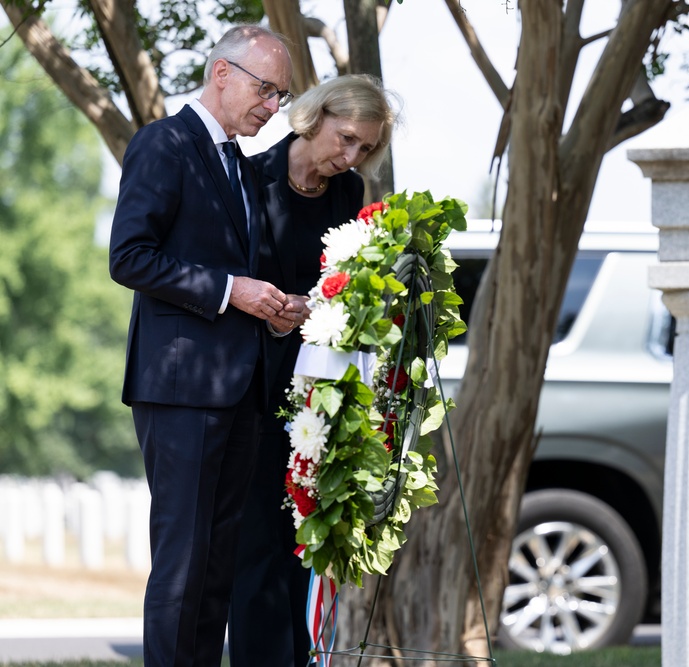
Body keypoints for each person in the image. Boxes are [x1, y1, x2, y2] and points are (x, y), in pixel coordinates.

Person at [108, 25, 304, 667]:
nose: (274, 107)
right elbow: (131, 257)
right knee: (183, 567)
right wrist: (230, 291)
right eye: (267, 90)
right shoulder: (163, 145)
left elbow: (242, 273)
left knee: (218, 566)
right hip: (181, 390)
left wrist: (275, 310)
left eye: (281, 95)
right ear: (223, 73)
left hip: (242, 393)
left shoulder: (241, 166)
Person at [227, 74, 397, 667]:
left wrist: (321, 308)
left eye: (365, 149)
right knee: (256, 555)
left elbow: (355, 294)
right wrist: (279, 313)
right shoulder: (250, 178)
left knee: (306, 546)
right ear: (314, 116)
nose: (349, 157)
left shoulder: (351, 194)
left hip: (318, 399)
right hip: (249, 392)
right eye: (346, 139)